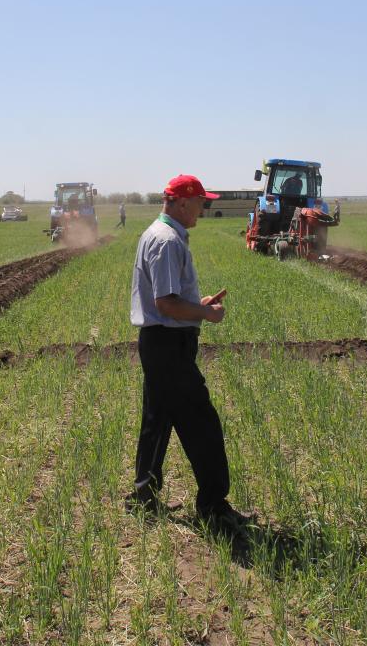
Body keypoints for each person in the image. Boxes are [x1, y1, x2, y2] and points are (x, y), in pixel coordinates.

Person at [127, 174, 250, 539]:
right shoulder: (166, 241)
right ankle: (213, 507)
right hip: (168, 346)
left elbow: (166, 300)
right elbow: (165, 304)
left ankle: (142, 495)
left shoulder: (159, 234)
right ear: (182, 203)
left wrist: (196, 305)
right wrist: (205, 313)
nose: (204, 207)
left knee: (158, 419)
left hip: (160, 342)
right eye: (201, 201)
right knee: (202, 424)